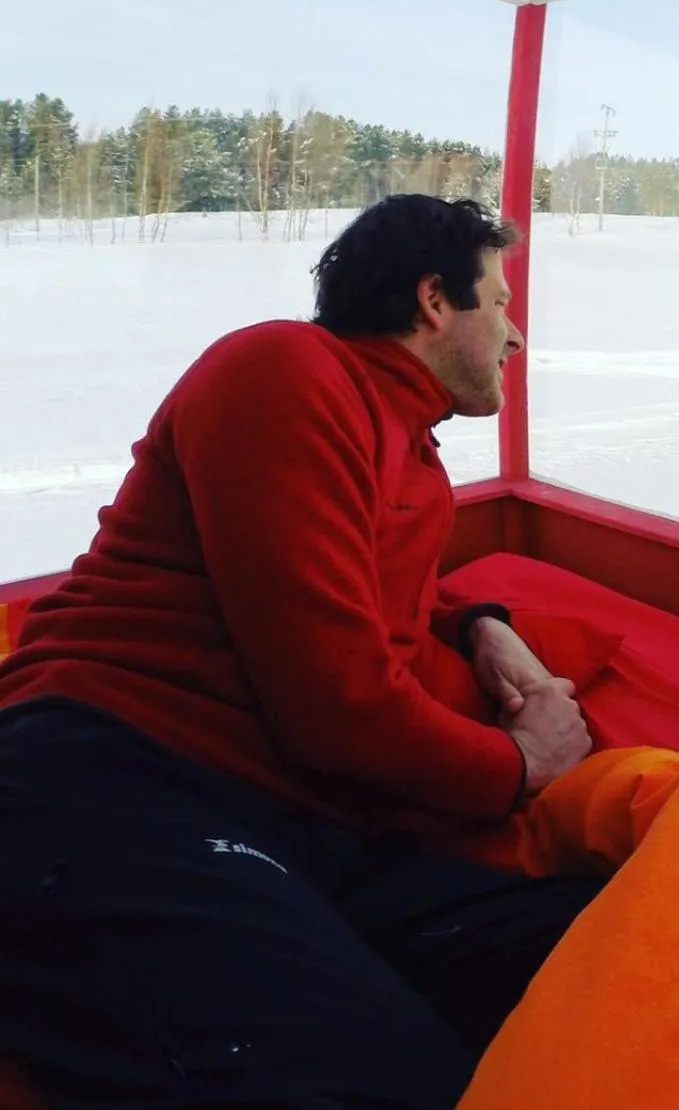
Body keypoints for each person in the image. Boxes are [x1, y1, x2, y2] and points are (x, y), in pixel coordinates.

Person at [0, 196, 599, 1109]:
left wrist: (478, 620)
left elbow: (340, 576)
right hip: (111, 779)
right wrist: (521, 764)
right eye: (502, 302)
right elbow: (333, 703)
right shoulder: (286, 369)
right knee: (384, 1084)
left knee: (603, 941)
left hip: (301, 828)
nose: (516, 336)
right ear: (435, 299)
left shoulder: (412, 455)